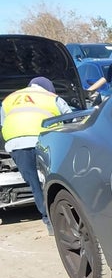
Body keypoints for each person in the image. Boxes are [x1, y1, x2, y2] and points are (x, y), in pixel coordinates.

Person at [0, 77, 73, 235]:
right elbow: (71, 118)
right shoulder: (51, 97)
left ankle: (49, 222)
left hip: (16, 144)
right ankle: (65, 216)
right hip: (45, 140)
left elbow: (3, 123)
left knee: (34, 184)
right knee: (54, 178)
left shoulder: (9, 99)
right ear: (48, 87)